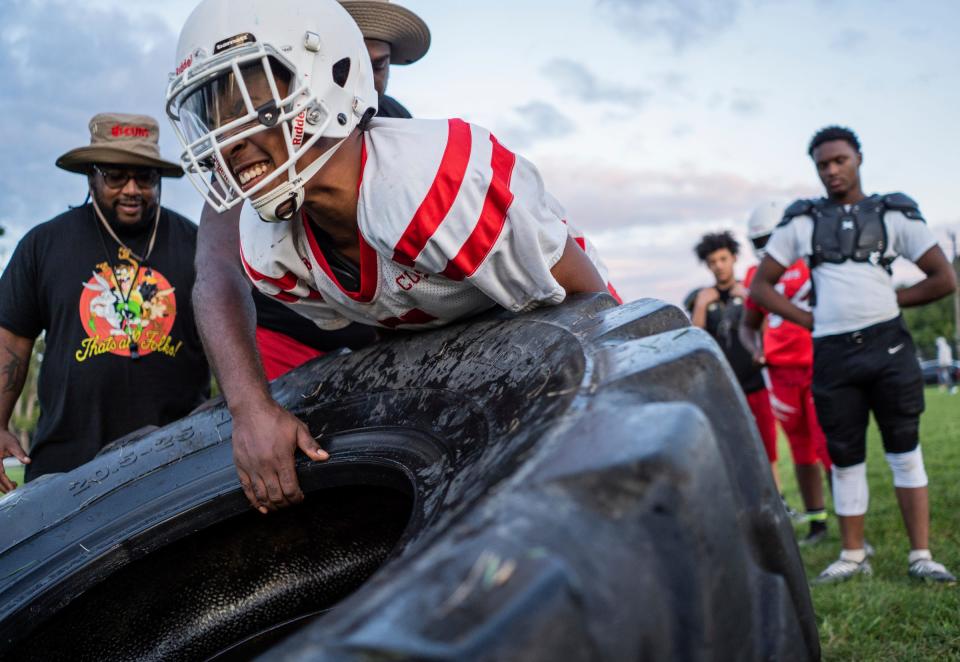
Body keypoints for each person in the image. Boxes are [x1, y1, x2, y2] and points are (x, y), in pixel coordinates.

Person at [166, 0, 618, 514]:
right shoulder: (272, 249)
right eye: (215, 116)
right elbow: (391, 318)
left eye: (252, 104)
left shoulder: (426, 184)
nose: (228, 141)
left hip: (546, 312)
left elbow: (587, 309)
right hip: (446, 328)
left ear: (332, 78)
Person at [750, 126, 958, 583]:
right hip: (833, 353)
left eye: (840, 160)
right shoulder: (802, 222)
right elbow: (761, 287)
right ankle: (852, 554)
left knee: (905, 451)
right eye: (823, 164)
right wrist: (810, 320)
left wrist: (888, 301)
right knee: (845, 457)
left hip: (889, 348)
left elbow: (944, 277)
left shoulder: (892, 214)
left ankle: (921, 555)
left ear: (858, 158)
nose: (832, 170)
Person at [0, 113, 210, 491]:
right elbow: (11, 341)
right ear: (91, 176)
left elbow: (233, 337)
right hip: (65, 470)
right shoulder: (43, 245)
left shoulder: (198, 246)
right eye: (115, 176)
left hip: (179, 465)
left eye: (144, 177)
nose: (132, 189)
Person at [740, 201, 831, 545]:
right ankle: (818, 522)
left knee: (829, 447)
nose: (765, 246)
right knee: (801, 449)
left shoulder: (811, 263)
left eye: (769, 237)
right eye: (758, 240)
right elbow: (748, 326)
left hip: (817, 363)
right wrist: (755, 350)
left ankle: (854, 527)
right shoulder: (754, 275)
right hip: (779, 373)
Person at [690, 232, 781, 495]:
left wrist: (751, 300)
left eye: (723, 259)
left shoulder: (750, 291)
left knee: (769, 449)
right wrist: (700, 307)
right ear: (708, 266)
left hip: (756, 383)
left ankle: (780, 501)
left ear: (733, 259)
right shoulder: (702, 298)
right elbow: (694, 340)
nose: (718, 265)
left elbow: (767, 332)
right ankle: (753, 505)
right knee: (736, 452)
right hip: (724, 388)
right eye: (712, 261)